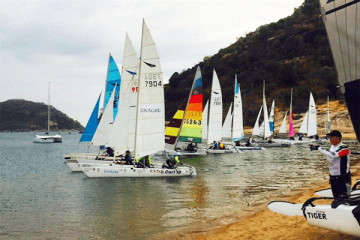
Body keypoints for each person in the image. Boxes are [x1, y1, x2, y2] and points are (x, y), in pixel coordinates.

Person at [309, 130, 351, 207]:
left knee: (344, 198)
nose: (330, 139)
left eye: (332, 137)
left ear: (338, 138)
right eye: (330, 137)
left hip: (342, 176)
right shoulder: (332, 147)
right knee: (336, 197)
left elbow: (334, 155)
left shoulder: (344, 147)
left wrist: (319, 149)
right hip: (333, 176)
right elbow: (330, 157)